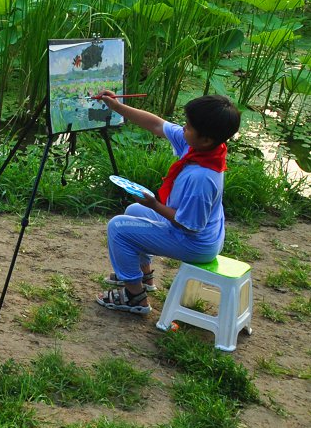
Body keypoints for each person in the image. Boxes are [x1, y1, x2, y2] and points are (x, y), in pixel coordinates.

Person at [95, 91, 240, 314]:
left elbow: (188, 225)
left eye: (188, 127)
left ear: (206, 139)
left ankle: (135, 297)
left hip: (195, 243)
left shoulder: (202, 178)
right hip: (198, 233)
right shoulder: (200, 149)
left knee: (118, 228)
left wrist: (154, 204)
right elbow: (156, 124)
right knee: (134, 210)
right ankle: (144, 277)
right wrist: (117, 107)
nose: (183, 128)